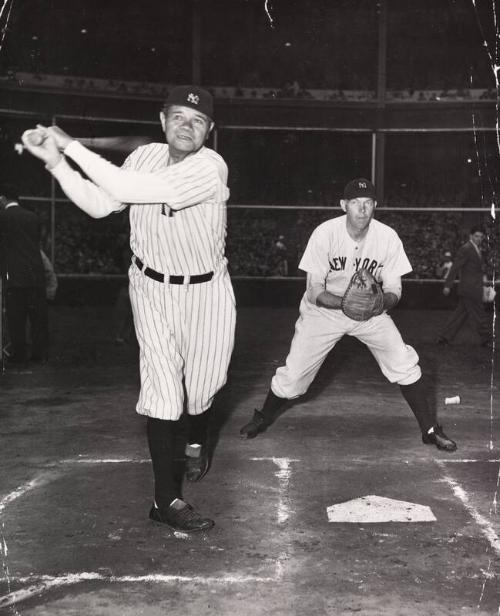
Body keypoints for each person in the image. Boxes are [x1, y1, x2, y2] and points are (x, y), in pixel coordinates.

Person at [21, 86, 236, 532]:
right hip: (151, 287)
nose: (186, 126)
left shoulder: (210, 168)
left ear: (209, 132)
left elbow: (126, 187)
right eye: (178, 116)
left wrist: (71, 145)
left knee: (202, 390)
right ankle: (165, 501)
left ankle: (198, 437)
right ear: (162, 121)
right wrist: (56, 163)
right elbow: (103, 204)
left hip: (206, 293)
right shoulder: (144, 157)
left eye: (197, 121)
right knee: (163, 395)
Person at [240, 178, 457, 452]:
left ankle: (429, 430)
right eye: (355, 203)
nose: (362, 209)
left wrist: (379, 304)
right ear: (344, 205)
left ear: (375, 205)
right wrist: (344, 303)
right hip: (325, 312)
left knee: (403, 362)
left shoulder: (387, 237)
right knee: (294, 377)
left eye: (367, 203)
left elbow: (394, 290)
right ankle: (263, 416)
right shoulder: (324, 233)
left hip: (369, 311)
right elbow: (314, 290)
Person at [0, 191, 49, 364]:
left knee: (16, 318)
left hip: (14, 275)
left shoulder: (3, 217)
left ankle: (18, 354)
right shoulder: (32, 217)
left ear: (3, 198)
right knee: (36, 318)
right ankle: (38, 355)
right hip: (35, 274)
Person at [436, 227, 492, 348]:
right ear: (471, 236)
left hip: (473, 288)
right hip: (470, 289)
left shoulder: (476, 249)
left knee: (460, 314)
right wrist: (448, 285)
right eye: (476, 236)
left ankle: (444, 337)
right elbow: (455, 267)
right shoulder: (466, 249)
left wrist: (484, 282)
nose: (479, 239)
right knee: (479, 314)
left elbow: (476, 270)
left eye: (481, 237)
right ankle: (486, 339)